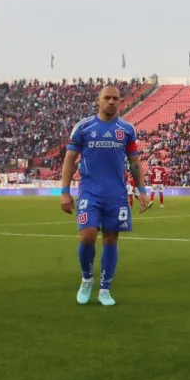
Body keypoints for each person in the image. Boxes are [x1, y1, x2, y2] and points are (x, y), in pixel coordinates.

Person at [60, 86, 149, 307]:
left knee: (111, 239)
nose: (111, 102)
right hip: (89, 192)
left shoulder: (127, 129)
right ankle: (87, 278)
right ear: (98, 100)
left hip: (116, 195)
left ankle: (105, 289)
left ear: (120, 102)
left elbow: (134, 162)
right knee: (87, 236)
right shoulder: (83, 127)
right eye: (107, 98)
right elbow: (70, 160)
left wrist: (142, 190)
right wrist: (65, 192)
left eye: (115, 99)